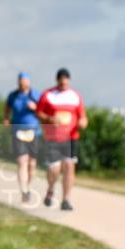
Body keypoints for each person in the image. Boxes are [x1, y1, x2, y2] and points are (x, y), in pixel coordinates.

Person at [37, 68, 88, 211]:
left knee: (69, 166)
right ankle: (51, 189)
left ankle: (66, 200)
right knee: (54, 168)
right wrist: (49, 118)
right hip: (53, 137)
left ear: (69, 81)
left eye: (66, 82)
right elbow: (39, 112)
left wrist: (83, 122)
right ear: (57, 81)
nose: (64, 84)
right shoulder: (48, 95)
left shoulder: (75, 96)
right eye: (61, 82)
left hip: (71, 136)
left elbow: (82, 116)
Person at [3, 72, 41, 203]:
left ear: (28, 82)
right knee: (21, 161)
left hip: (33, 132)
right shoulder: (13, 96)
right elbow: (6, 108)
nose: (21, 83)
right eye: (19, 80)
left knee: (32, 164)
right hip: (17, 131)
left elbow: (43, 112)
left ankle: (29, 187)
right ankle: (24, 190)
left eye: (24, 80)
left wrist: (35, 108)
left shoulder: (35, 95)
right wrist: (6, 119)